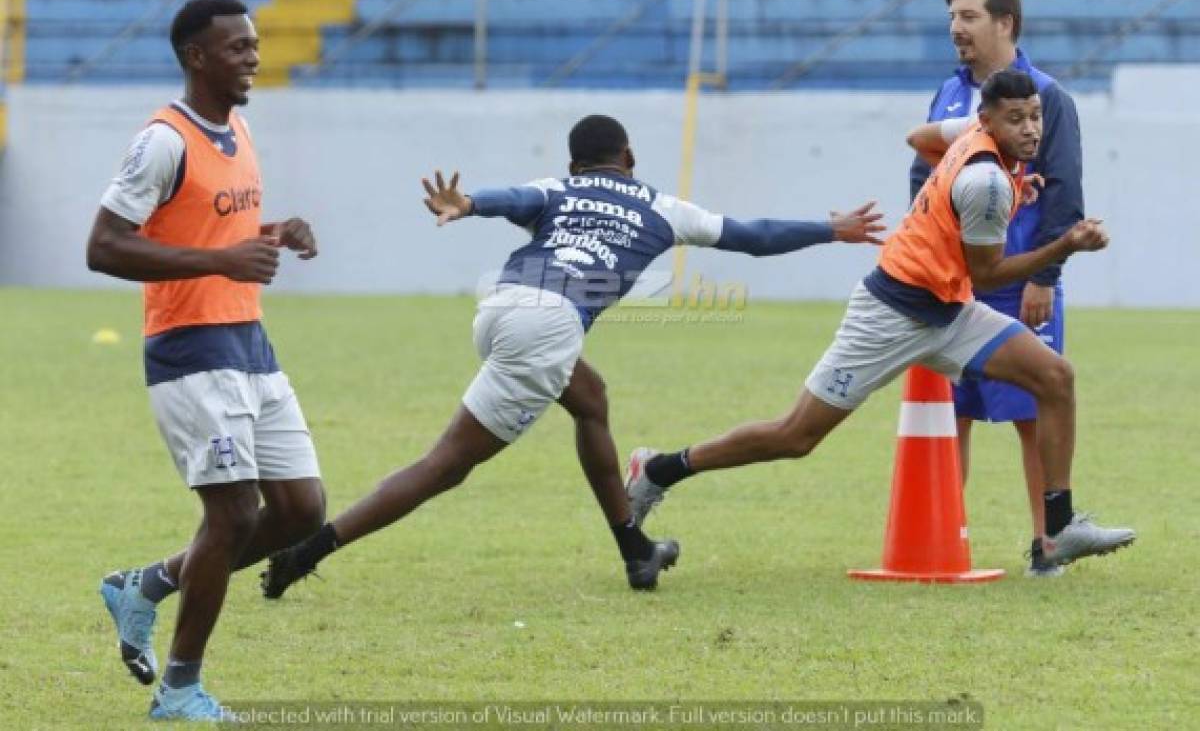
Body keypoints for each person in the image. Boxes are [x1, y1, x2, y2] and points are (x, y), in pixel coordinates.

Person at [258, 114, 886, 600]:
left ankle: (636, 551)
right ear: (630, 159)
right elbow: (753, 238)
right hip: (549, 328)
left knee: (590, 398)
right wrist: (831, 230)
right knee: (445, 466)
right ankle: (311, 549)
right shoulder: (662, 207)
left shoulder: (556, 188)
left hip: (500, 304)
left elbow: (507, 197)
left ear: (574, 163)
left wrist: (467, 203)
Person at [626, 70, 1135, 571]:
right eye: (1016, 119)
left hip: (947, 308)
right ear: (988, 119)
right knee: (794, 436)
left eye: (1036, 117)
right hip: (891, 314)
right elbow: (990, 273)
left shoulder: (972, 137)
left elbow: (919, 138)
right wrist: (1066, 244)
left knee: (1055, 376)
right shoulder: (986, 184)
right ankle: (658, 469)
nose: (1030, 129)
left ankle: (1057, 531)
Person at [87, 0, 325, 721]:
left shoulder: (238, 127)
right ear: (197, 57)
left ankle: (148, 586)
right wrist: (221, 259)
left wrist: (275, 229)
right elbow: (103, 245)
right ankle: (180, 688)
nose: (253, 56)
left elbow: (215, 221)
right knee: (233, 515)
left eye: (253, 45)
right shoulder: (162, 140)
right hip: (190, 350)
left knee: (301, 508)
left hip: (248, 341)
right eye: (237, 48)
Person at [907, 0, 1085, 577]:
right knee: (947, 413)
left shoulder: (1046, 95)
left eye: (969, 17)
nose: (957, 28)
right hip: (950, 287)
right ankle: (941, 538)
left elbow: (1063, 192)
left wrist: (1046, 277)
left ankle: (1048, 545)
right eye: (953, 18)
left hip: (1018, 285)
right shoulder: (948, 95)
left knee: (1031, 415)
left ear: (1005, 22)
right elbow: (921, 179)